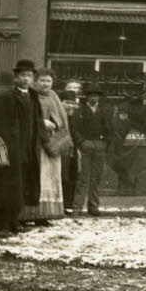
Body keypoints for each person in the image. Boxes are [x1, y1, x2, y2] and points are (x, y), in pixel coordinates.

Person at [0, 61, 39, 238]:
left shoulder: (32, 96)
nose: (25, 79)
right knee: (5, 187)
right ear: (16, 78)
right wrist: (9, 144)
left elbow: (36, 121)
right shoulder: (7, 97)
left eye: (29, 76)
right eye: (22, 75)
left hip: (26, 148)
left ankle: (15, 222)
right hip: (11, 150)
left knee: (20, 187)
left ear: (32, 78)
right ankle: (2, 225)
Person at [30, 70, 70, 224]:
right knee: (36, 177)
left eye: (48, 81)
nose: (45, 84)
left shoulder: (53, 95)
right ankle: (31, 214)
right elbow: (27, 116)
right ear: (35, 81)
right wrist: (41, 121)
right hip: (36, 143)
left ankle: (44, 215)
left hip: (52, 142)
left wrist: (59, 126)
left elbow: (62, 116)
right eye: (42, 80)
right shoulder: (31, 95)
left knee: (50, 177)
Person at [72, 86, 111, 215]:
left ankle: (93, 207)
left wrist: (105, 143)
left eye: (96, 95)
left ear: (99, 97)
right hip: (85, 145)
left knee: (96, 177)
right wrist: (81, 142)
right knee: (83, 177)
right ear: (87, 97)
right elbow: (75, 128)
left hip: (99, 145)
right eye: (91, 95)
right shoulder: (80, 110)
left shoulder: (104, 110)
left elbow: (110, 128)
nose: (94, 98)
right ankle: (77, 207)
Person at [59, 80, 83, 214]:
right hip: (61, 147)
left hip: (73, 149)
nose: (70, 106)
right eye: (67, 103)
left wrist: (77, 148)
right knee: (62, 175)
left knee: (72, 176)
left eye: (72, 103)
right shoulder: (59, 114)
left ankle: (67, 204)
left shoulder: (76, 114)